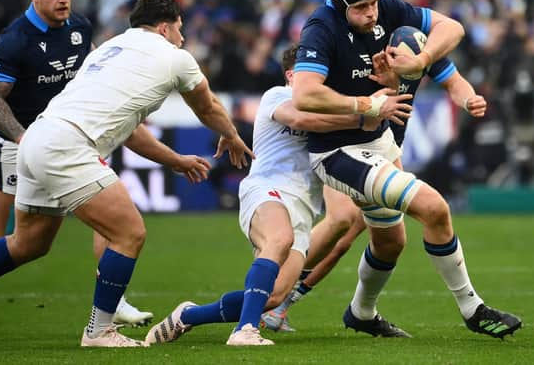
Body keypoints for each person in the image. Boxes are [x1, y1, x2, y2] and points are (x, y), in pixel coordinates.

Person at [0, 0, 253, 348]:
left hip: (35, 139)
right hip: (67, 145)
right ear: (166, 28)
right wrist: (231, 135)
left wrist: (175, 160)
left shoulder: (109, 49)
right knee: (129, 233)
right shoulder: (176, 57)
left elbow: (132, 132)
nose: (183, 38)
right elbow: (207, 105)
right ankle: (99, 330)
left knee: (28, 242)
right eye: (180, 30)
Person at [288, 0, 521, 339]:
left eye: (376, 3)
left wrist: (425, 64)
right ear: (339, 3)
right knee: (431, 208)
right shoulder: (321, 27)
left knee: (390, 242)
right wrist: (366, 104)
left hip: (380, 144)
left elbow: (453, 31)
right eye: (362, 7)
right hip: (339, 151)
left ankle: (360, 313)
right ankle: (472, 308)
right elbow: (304, 95)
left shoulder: (399, 28)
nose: (373, 13)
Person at [143, 44, 412, 346]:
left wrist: (382, 93)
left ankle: (187, 316)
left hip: (304, 209)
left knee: (273, 297)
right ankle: (245, 331)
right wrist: (363, 115)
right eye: (311, 73)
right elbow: (301, 121)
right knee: (279, 239)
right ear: (291, 74)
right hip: (267, 190)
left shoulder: (332, 107)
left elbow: (367, 131)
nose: (318, 79)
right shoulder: (277, 95)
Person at [0, 0, 152, 336]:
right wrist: (22, 137)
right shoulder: (15, 40)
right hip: (16, 147)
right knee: (8, 240)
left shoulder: (79, 27)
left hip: (67, 141)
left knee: (113, 214)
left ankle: (114, 299)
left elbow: (95, 72)